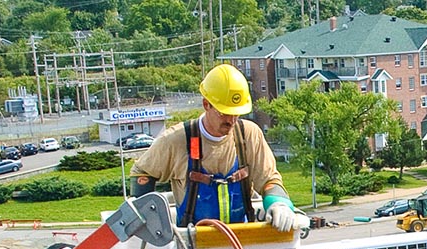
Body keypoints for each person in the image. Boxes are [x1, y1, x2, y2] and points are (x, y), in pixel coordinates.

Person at [129, 64, 308, 234]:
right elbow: (142, 173)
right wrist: (150, 221)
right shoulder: (177, 140)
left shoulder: (248, 135)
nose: (231, 120)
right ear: (206, 104)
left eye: (236, 113)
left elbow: (269, 179)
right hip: (194, 245)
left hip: (243, 237)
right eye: (224, 113)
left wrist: (279, 203)